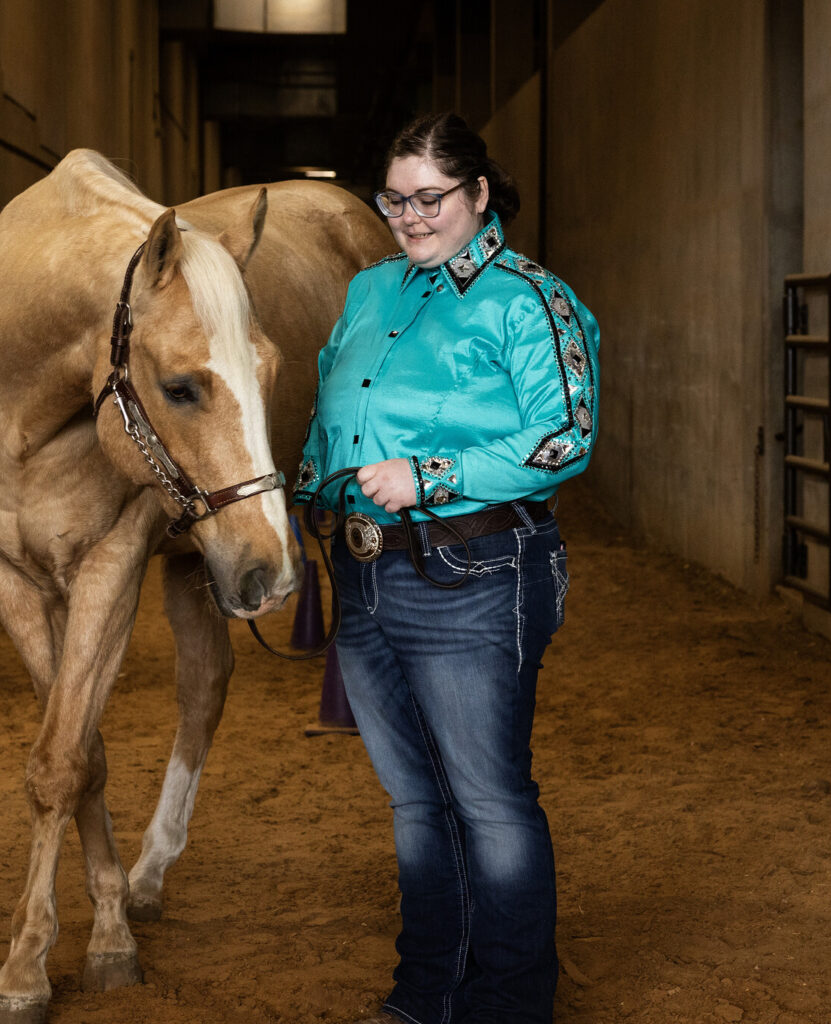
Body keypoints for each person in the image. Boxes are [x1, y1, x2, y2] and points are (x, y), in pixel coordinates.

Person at [293, 112, 601, 1024]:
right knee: (415, 805)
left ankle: (508, 1004)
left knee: (490, 802)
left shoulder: (529, 298)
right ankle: (427, 994)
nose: (410, 218)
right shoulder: (368, 292)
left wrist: (430, 476)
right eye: (394, 200)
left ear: (478, 193)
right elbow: (329, 414)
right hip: (365, 577)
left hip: (475, 574)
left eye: (430, 198)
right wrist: (304, 489)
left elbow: (566, 436)